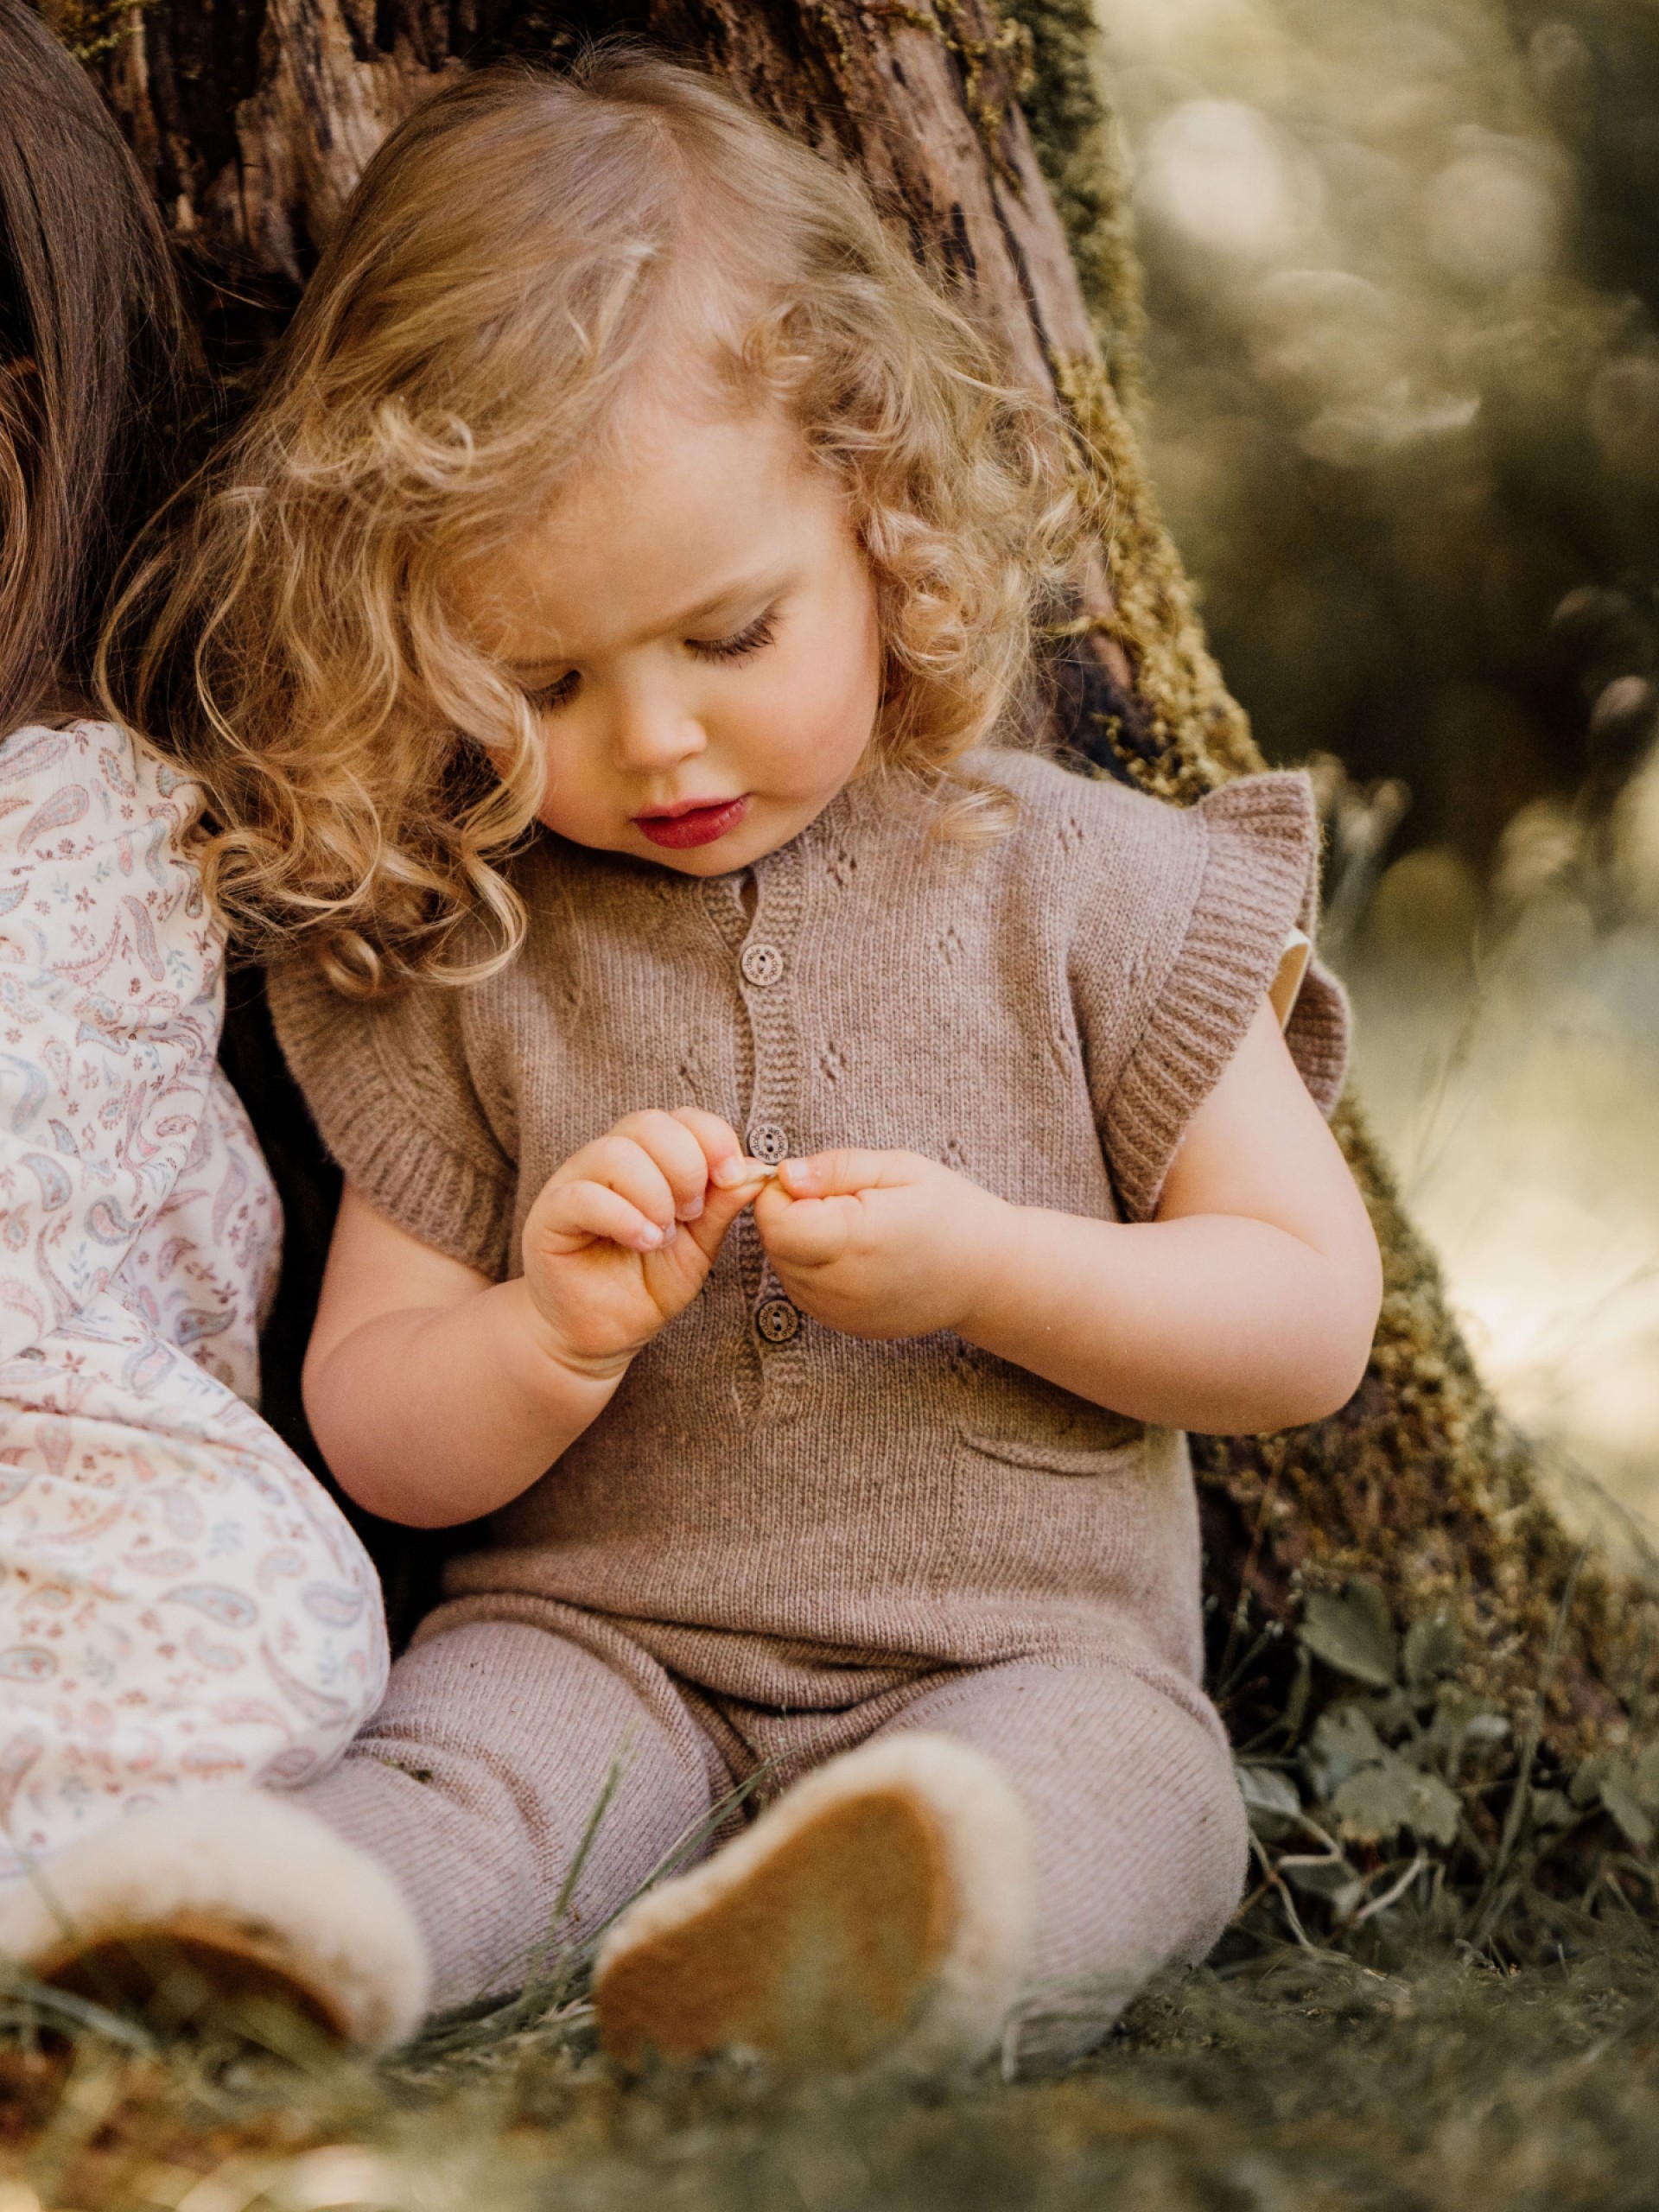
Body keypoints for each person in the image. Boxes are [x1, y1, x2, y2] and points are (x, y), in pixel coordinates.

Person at [71, 52, 1380, 2071]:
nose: (658, 741)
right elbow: (378, 1424)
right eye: (544, 680)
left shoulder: (1100, 891)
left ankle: (901, 1932)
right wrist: (547, 1336)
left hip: (1028, 1652)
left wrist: (994, 1272)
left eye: (731, 634)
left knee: (1124, 1794)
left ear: (883, 509)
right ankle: (289, 1932)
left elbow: (1305, 1316)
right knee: (468, 1776)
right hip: (601, 1640)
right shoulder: (464, 953)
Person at [0, 0, 421, 2047]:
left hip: (37, 1474)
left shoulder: (78, 817)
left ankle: (77, 1909)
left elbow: (122, 1246)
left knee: (264, 1616)